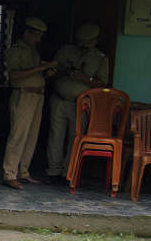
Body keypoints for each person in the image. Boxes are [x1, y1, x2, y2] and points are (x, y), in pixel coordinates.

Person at [45, 23, 108, 184]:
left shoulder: (101, 58)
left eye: (88, 42)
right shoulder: (65, 51)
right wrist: (62, 72)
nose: (84, 45)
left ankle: (68, 172)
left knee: (75, 138)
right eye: (81, 41)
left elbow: (102, 84)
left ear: (95, 41)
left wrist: (85, 79)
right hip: (59, 99)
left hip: (80, 104)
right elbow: (51, 71)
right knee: (55, 136)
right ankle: (53, 171)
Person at [2, 17, 56, 189]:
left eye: (41, 35)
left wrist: (47, 73)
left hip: (37, 97)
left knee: (31, 137)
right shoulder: (15, 51)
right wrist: (41, 67)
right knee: (18, 135)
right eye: (36, 35)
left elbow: (34, 76)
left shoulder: (34, 51)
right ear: (26, 33)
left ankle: (23, 172)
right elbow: (15, 76)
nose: (38, 39)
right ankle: (9, 174)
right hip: (23, 96)